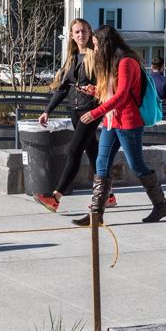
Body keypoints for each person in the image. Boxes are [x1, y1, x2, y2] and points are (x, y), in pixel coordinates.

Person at [74, 25, 166, 225]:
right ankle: (96, 215)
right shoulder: (113, 61)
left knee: (136, 165)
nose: (95, 49)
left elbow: (122, 96)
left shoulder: (126, 62)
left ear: (106, 43)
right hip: (112, 121)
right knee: (101, 163)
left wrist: (95, 113)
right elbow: (113, 93)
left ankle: (161, 205)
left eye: (97, 44)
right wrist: (95, 91)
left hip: (128, 122)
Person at [32, 18, 116, 214]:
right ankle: (108, 195)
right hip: (75, 111)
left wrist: (96, 95)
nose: (81, 35)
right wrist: (47, 111)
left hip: (90, 111)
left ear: (90, 33)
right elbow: (63, 89)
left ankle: (55, 197)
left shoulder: (96, 56)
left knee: (73, 152)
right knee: (93, 152)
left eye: (84, 31)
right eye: (77, 32)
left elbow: (106, 85)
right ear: (71, 35)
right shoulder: (72, 58)